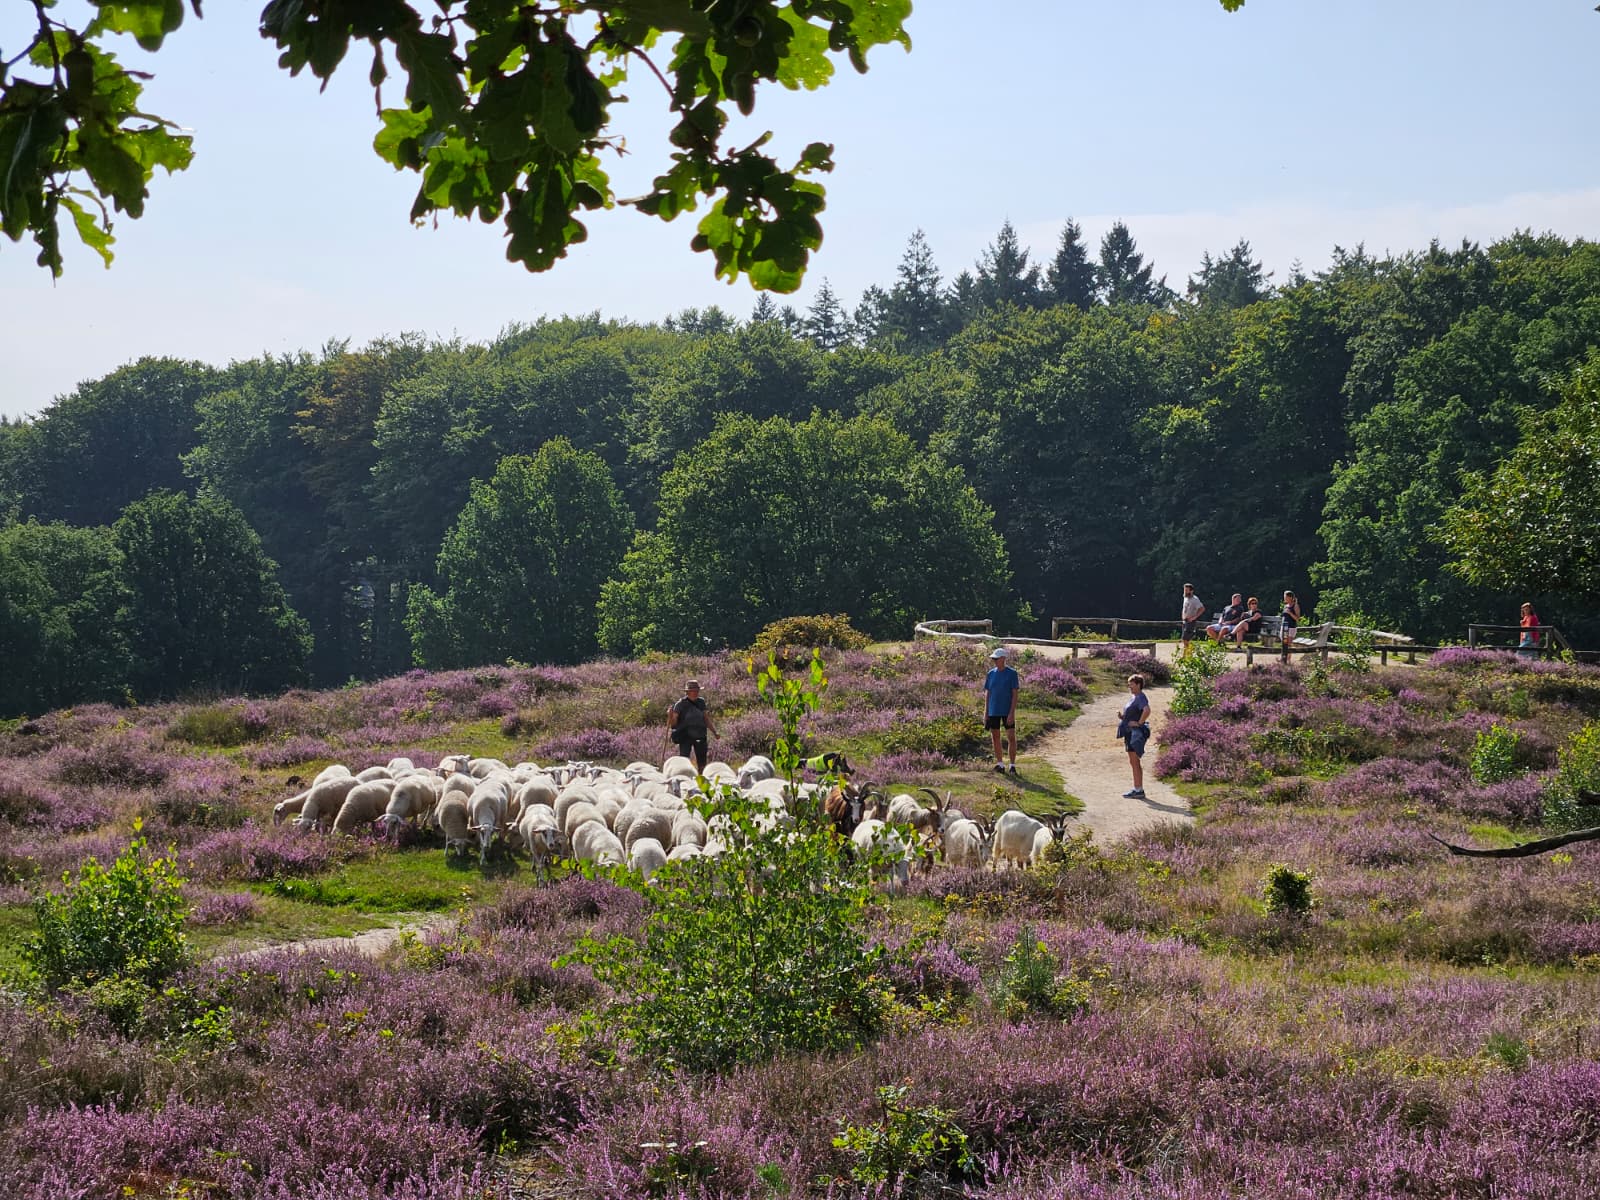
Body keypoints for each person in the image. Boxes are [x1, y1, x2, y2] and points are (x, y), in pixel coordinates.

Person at [666, 678, 717, 772]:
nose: (696, 692)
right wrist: (670, 715)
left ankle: (702, 780)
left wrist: (714, 732)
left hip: (700, 735)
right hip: (685, 736)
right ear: (688, 692)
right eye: (693, 691)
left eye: (697, 690)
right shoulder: (680, 704)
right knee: (684, 761)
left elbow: (706, 718)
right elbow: (673, 724)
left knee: (702, 762)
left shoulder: (701, 702)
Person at [983, 647, 1020, 774]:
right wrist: (986, 712)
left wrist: (1011, 712)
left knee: (1011, 737)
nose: (994, 661)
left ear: (1003, 659)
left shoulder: (1012, 673)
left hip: (1006, 710)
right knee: (995, 737)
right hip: (993, 709)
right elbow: (988, 693)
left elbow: (1014, 694)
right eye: (993, 659)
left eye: (996, 659)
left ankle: (1012, 765)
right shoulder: (990, 674)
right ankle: (1000, 764)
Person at [1115, 673, 1151, 799]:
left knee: (1135, 761)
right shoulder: (1134, 697)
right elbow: (1134, 713)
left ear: (1138, 684)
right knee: (1133, 761)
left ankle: (1138, 789)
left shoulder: (1140, 697)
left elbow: (1147, 710)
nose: (1129, 685)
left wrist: (1139, 723)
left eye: (1131, 683)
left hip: (1134, 733)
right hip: (1129, 732)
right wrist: (1123, 717)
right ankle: (1137, 788)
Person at [1180, 583, 1205, 657]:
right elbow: (1184, 608)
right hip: (1185, 621)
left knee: (1185, 639)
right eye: (1184, 589)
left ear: (1191, 591)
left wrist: (1194, 617)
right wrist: (1182, 616)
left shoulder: (1195, 599)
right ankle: (1189, 654)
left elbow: (1202, 609)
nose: (1185, 591)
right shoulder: (1185, 597)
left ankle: (1187, 654)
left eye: (1186, 590)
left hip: (1191, 622)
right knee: (1185, 640)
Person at [1280, 590, 1302, 663]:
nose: (1284, 598)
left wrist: (1289, 613)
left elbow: (1297, 618)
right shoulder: (1285, 606)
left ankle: (1288, 660)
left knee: (1288, 644)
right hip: (1284, 627)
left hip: (1291, 627)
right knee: (1284, 643)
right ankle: (1283, 658)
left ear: (1290, 597)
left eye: (1285, 596)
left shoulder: (1295, 605)